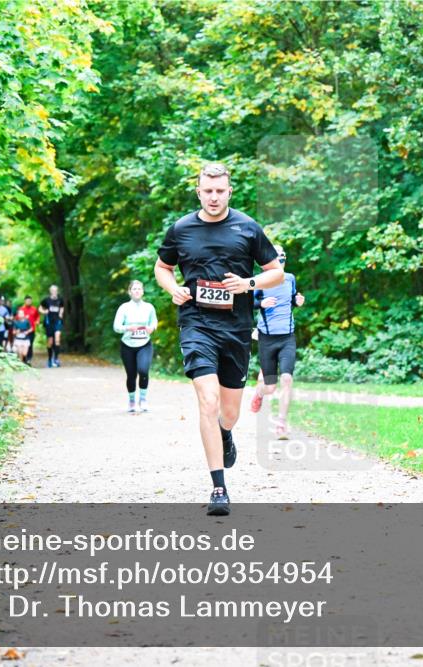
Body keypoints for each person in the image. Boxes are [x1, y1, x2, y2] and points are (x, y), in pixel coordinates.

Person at [154, 162, 283, 516]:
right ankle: (218, 488)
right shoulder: (181, 229)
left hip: (236, 330)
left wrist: (248, 284)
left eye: (220, 191)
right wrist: (173, 289)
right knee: (207, 402)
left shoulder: (247, 227)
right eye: (207, 191)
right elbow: (162, 267)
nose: (213, 197)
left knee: (228, 412)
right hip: (196, 325)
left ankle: (226, 433)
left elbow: (276, 272)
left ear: (229, 191)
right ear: (198, 191)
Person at [250, 245, 305, 438]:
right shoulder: (259, 281)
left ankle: (281, 423)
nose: (279, 264)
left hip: (287, 337)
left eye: (282, 260)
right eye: (276, 260)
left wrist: (297, 301)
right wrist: (260, 304)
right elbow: (246, 303)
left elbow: (289, 300)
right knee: (270, 387)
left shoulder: (290, 279)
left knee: (287, 379)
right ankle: (259, 393)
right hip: (267, 338)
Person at [113, 280, 158, 413]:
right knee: (131, 375)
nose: (137, 291)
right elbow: (116, 327)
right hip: (127, 346)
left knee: (143, 370)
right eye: (134, 289)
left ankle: (143, 399)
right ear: (129, 292)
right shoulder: (123, 308)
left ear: (143, 292)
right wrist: (128, 328)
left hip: (144, 344)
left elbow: (154, 321)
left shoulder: (149, 307)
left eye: (139, 289)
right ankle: (132, 401)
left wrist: (152, 328)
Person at [39, 285, 64, 368]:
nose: (54, 292)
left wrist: (61, 313)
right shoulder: (46, 300)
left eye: (55, 290)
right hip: (49, 322)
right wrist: (44, 311)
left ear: (57, 291)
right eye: (52, 290)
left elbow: (62, 307)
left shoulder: (60, 299)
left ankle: (56, 359)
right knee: (50, 342)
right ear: (50, 291)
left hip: (57, 321)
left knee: (57, 339)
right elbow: (40, 308)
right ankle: (50, 359)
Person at [18, 296, 39, 364]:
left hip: (31, 330)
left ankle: (29, 359)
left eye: (30, 301)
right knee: (23, 344)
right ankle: (23, 359)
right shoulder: (21, 309)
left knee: (30, 344)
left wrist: (37, 321)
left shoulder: (34, 309)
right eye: (27, 301)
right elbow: (17, 318)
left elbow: (37, 317)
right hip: (22, 331)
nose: (28, 302)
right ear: (25, 301)